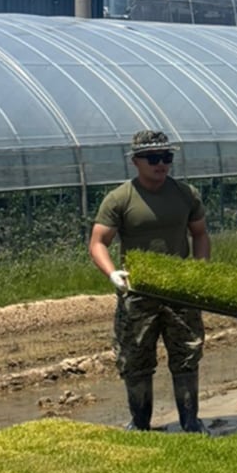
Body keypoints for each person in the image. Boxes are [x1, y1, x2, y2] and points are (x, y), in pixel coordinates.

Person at [89, 129, 212, 433]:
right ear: (136, 161)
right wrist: (112, 273)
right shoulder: (120, 198)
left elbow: (200, 234)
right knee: (135, 358)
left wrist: (200, 269)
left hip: (180, 291)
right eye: (154, 158)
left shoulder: (186, 194)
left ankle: (190, 422)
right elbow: (98, 242)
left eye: (166, 157)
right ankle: (141, 425)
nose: (161, 164)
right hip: (138, 293)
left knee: (186, 354)